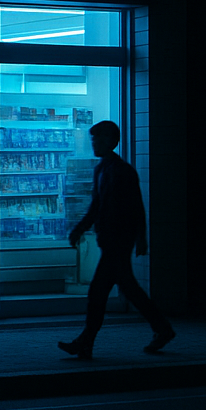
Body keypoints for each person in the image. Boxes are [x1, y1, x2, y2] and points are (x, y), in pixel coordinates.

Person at [58, 120, 176, 358]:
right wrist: (80, 228)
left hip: (118, 241)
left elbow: (136, 207)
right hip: (112, 240)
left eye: (99, 139)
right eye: (93, 139)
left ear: (112, 141)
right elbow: (97, 205)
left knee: (98, 294)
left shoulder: (122, 171)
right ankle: (162, 329)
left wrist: (140, 237)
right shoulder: (102, 169)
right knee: (129, 290)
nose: (94, 143)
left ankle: (85, 342)